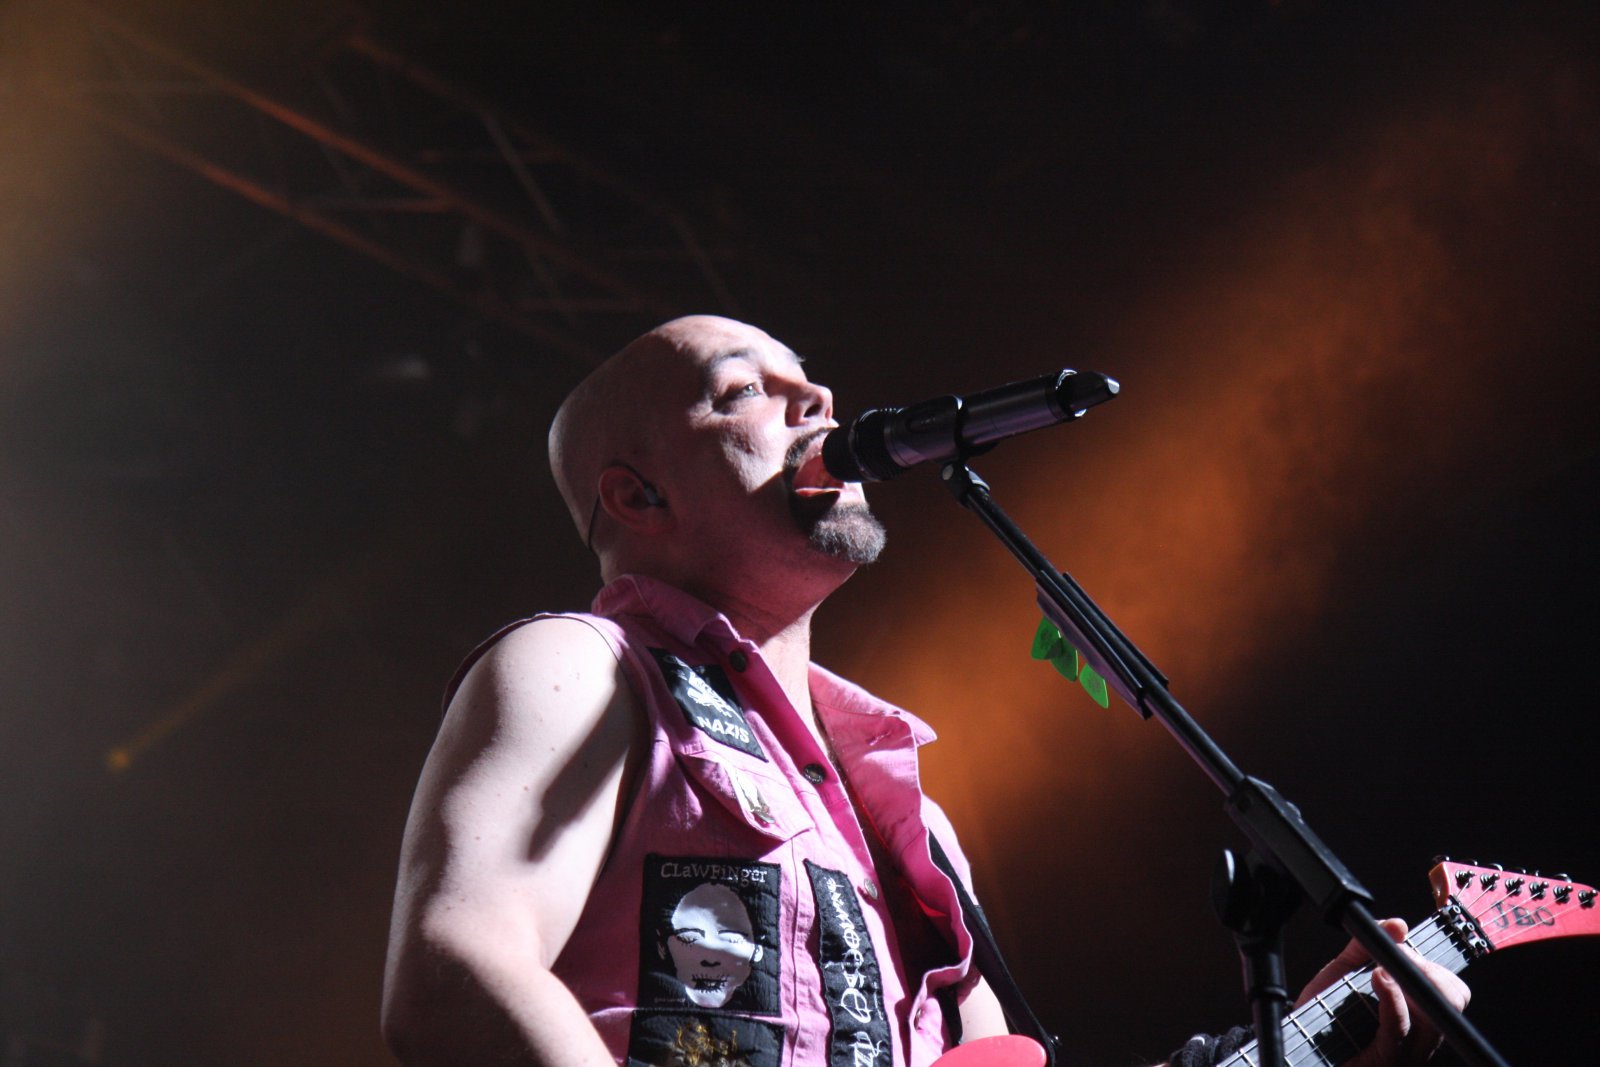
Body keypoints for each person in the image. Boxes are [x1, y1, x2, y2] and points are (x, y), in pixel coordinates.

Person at [381, 315, 1469, 1067]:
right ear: (636, 495)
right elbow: (454, 970)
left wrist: (1297, 1041)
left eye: (806, 376)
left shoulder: (908, 816)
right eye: (744, 390)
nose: (816, 398)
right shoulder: (583, 666)